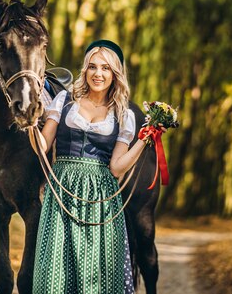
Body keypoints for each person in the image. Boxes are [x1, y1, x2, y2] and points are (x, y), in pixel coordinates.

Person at [32, 39, 157, 294]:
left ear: (115, 74)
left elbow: (116, 168)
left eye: (105, 68)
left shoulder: (124, 114)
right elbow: (42, 146)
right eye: (92, 67)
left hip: (101, 198)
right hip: (62, 191)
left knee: (98, 275)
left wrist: (144, 140)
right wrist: (29, 122)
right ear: (85, 70)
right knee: (55, 271)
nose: (98, 73)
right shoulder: (64, 100)